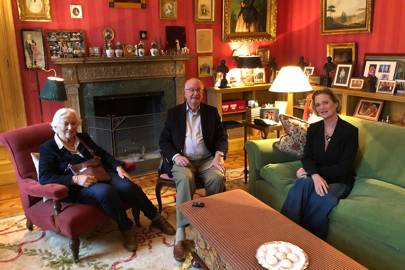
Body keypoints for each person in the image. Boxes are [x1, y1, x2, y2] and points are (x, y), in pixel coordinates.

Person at [39, 108, 175, 252]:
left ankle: (155, 217)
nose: (70, 128)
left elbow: (103, 155)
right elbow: (45, 177)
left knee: (128, 186)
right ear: (55, 126)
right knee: (106, 192)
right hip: (79, 186)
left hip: (102, 174)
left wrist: (118, 167)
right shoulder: (48, 148)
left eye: (73, 123)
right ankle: (126, 229)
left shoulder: (83, 137)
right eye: (66, 124)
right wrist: (75, 179)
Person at [159, 78, 228, 262]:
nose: (195, 94)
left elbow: (222, 136)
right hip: (184, 160)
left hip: (207, 159)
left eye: (198, 90)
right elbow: (163, 142)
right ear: (185, 93)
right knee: (185, 179)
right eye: (191, 90)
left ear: (202, 93)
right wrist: (176, 156)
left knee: (217, 178)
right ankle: (181, 231)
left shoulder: (211, 113)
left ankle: (211, 225)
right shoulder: (173, 114)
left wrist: (218, 156)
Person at [281, 89, 358, 239]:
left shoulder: (350, 131)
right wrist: (314, 175)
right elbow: (307, 156)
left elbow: (344, 167)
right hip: (317, 175)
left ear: (336, 103)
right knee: (301, 185)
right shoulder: (314, 129)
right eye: (318, 105)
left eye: (325, 102)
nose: (322, 107)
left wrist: (313, 173)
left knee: (323, 197)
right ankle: (285, 231)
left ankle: (309, 240)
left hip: (340, 180)